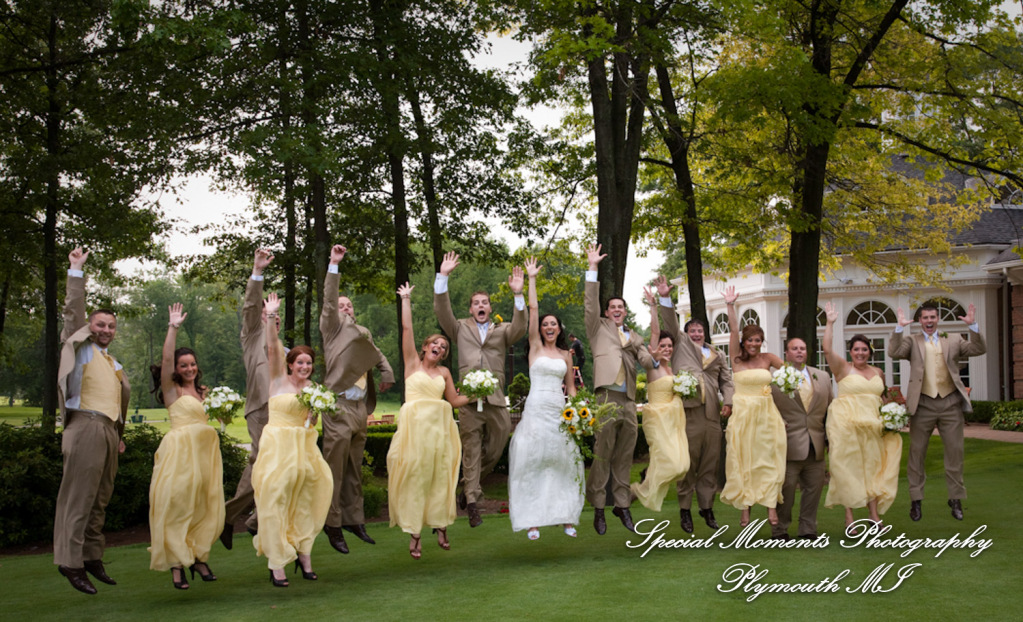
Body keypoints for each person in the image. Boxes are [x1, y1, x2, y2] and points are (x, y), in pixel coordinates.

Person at [54, 248, 130, 595]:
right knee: (79, 498)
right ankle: (70, 562)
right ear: (90, 327)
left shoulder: (112, 361)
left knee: (100, 499)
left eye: (111, 326)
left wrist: (117, 434)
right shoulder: (81, 347)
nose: (106, 329)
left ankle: (91, 557)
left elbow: (116, 401)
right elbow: (73, 313)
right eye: (100, 324)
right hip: (84, 426)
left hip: (107, 432)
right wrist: (76, 271)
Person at [434, 251, 526, 527]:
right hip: (468, 400)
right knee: (471, 450)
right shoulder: (459, 328)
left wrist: (518, 296)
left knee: (496, 447)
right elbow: (442, 311)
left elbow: (521, 328)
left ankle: (467, 485)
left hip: (496, 399)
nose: (481, 305)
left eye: (484, 302)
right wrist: (443, 277)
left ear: (490, 306)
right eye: (476, 303)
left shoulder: (502, 329)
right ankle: (472, 500)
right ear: (471, 309)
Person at [251, 293, 333, 587]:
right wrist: (271, 316)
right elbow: (273, 347)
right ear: (290, 364)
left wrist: (313, 417)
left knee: (304, 501)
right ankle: (276, 563)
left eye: (308, 363)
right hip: (277, 450)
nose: (304, 366)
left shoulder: (314, 389)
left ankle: (304, 554)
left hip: (303, 451)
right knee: (275, 501)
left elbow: (312, 421)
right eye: (300, 362)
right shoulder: (277, 379)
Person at [320, 244, 395, 553]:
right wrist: (334, 265)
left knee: (353, 468)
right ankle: (331, 523)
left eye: (349, 305)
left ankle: (355, 520)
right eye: (342, 305)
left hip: (359, 407)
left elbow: (376, 355)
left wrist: (387, 372)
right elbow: (328, 301)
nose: (346, 308)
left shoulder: (362, 331)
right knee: (334, 469)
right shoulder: (332, 328)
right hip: (336, 405)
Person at [148, 303, 225, 589]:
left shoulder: (203, 391)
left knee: (205, 506)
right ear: (176, 370)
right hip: (180, 454)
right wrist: (173, 327)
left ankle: (199, 555)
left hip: (205, 454)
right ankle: (176, 564)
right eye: (184, 365)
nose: (189, 368)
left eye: (192, 364)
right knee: (178, 504)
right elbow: (167, 359)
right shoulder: (173, 390)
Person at [390, 282, 469, 559]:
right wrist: (406, 299)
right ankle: (414, 533)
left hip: (439, 433)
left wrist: (477, 393)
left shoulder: (445, 372)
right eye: (436, 343)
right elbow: (407, 330)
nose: (440, 347)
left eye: (444, 346)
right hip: (414, 434)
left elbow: (455, 401)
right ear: (425, 347)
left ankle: (441, 525)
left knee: (439, 478)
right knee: (415, 477)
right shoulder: (412, 363)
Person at [889, 301, 986, 521]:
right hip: (922, 404)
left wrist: (973, 327)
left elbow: (979, 349)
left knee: (955, 453)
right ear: (920, 320)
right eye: (925, 318)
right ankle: (916, 500)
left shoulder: (953, 339)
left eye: (933, 317)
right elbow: (893, 352)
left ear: (937, 319)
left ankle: (955, 498)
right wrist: (899, 328)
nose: (929, 321)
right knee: (917, 454)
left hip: (950, 403)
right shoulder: (911, 341)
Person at [508, 258, 583, 540]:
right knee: (533, 460)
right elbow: (533, 309)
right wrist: (532, 280)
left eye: (554, 324)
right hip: (537, 408)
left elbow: (571, 387)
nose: (549, 327)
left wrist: (576, 410)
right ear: (540, 329)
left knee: (562, 461)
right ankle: (532, 520)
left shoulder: (566, 355)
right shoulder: (535, 347)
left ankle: (565, 516)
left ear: (560, 329)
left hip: (559, 410)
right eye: (545, 324)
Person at [583, 244, 653, 534]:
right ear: (607, 312)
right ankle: (599, 507)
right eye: (612, 307)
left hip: (628, 400)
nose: (615, 311)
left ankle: (621, 506)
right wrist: (593, 268)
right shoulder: (597, 327)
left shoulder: (634, 336)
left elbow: (647, 361)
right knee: (603, 451)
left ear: (625, 312)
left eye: (620, 308)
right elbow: (590, 303)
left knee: (625, 454)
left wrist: (657, 357)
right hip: (606, 396)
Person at [655, 275, 734, 532]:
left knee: (709, 463)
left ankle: (707, 509)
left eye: (700, 330)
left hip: (712, 414)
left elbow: (727, 380)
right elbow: (669, 322)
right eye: (692, 331)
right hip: (688, 413)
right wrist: (665, 297)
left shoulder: (717, 354)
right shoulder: (681, 346)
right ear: (687, 334)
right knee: (688, 463)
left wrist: (729, 402)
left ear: (705, 333)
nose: (697, 333)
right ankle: (685, 510)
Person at [821, 303, 900, 528]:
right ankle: (849, 518)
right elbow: (826, 349)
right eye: (856, 349)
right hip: (846, 426)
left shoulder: (878, 372)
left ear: (870, 351)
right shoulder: (843, 368)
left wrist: (893, 417)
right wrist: (830, 322)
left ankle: (874, 515)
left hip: (873, 427)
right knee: (848, 468)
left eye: (864, 349)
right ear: (850, 352)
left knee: (874, 468)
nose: (860, 353)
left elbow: (882, 399)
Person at [719, 285, 786, 527]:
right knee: (743, 460)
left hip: (767, 415)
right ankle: (745, 510)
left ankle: (771, 507)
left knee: (768, 458)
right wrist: (730, 305)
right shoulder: (736, 358)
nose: (754, 344)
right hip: (743, 416)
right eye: (750, 340)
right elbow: (734, 330)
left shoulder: (769, 359)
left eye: (758, 340)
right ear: (744, 342)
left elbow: (792, 372)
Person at [221, 248, 275, 549]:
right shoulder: (253, 340)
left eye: (276, 318)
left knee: (279, 466)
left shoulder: (285, 353)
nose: (273, 321)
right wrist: (257, 272)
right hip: (259, 410)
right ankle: (232, 516)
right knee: (259, 460)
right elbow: (252, 307)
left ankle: (250, 520)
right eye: (269, 316)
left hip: (283, 417)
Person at [629, 287, 690, 513]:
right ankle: (641, 487)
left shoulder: (672, 370)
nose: (666, 349)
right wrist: (653, 306)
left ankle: (642, 485)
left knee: (682, 465)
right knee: (672, 463)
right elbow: (654, 332)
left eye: (669, 346)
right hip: (657, 418)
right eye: (662, 346)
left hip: (673, 422)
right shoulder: (653, 365)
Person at [769, 336, 831, 540]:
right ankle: (780, 530)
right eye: (794, 348)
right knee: (785, 491)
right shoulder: (775, 378)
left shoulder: (822, 376)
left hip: (816, 443)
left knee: (814, 490)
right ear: (786, 353)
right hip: (788, 443)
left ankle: (808, 529)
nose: (799, 351)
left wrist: (830, 440)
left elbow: (830, 409)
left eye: (802, 348)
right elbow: (768, 408)